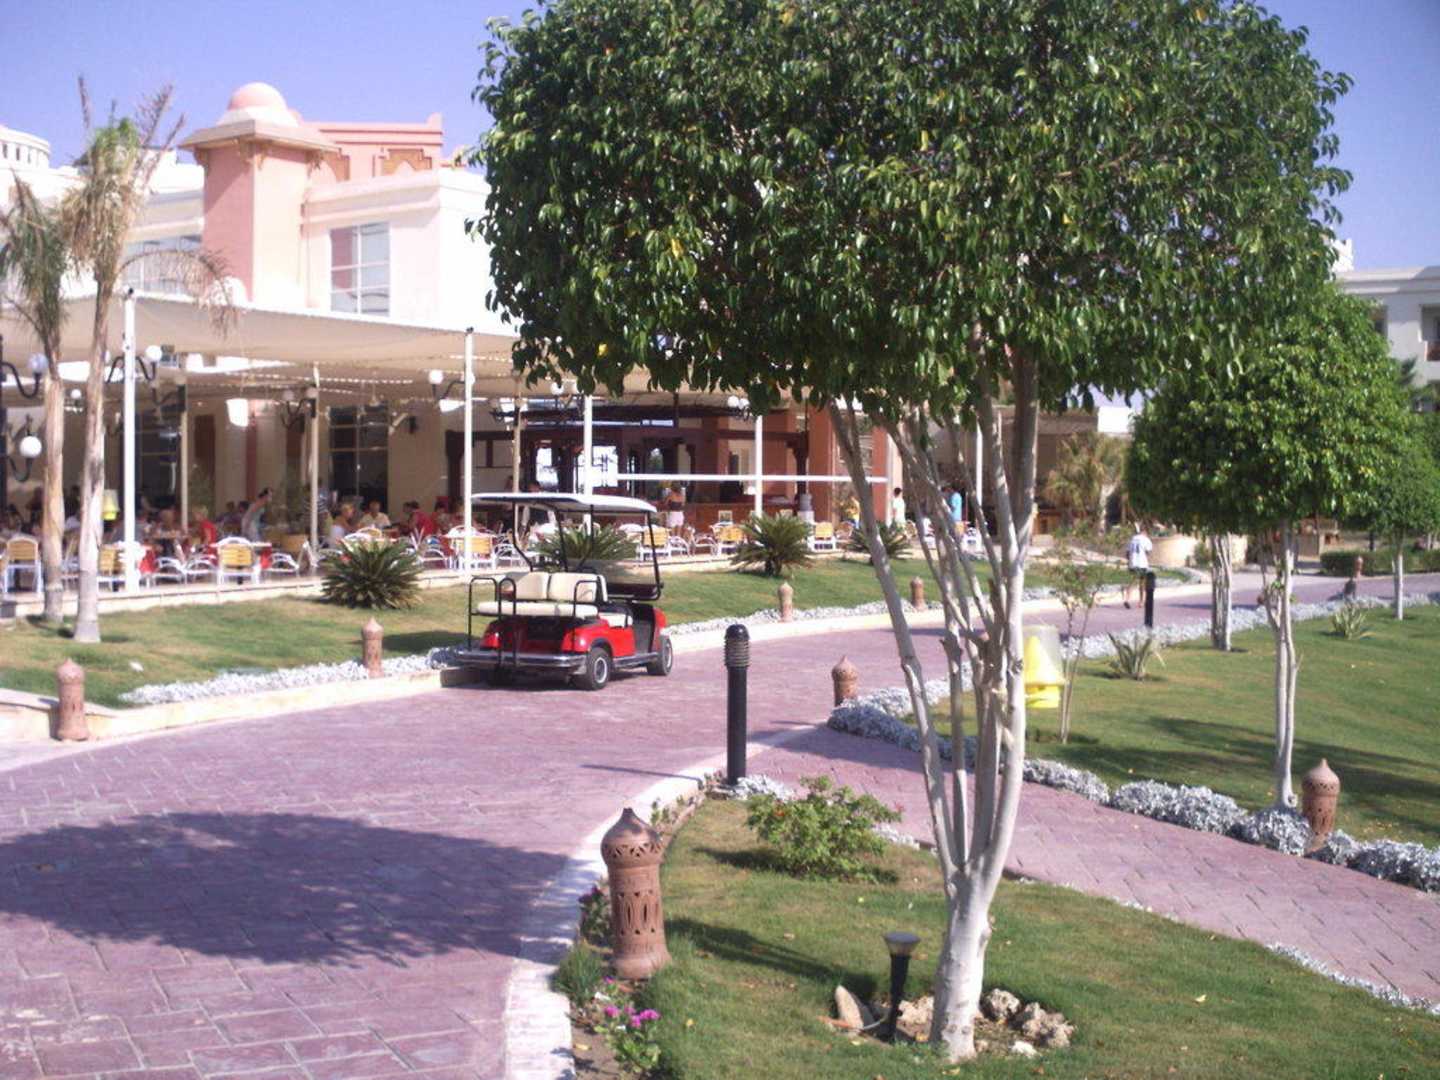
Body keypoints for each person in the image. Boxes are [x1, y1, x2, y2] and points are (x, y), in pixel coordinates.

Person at [1123, 523, 1153, 609]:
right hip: (1142, 564)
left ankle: (1128, 598)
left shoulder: (1132, 539)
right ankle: (1140, 601)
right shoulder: (1145, 539)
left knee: (1133, 580)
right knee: (1142, 583)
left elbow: (1127, 553)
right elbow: (1148, 552)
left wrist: (1130, 561)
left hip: (1132, 563)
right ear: (1145, 531)